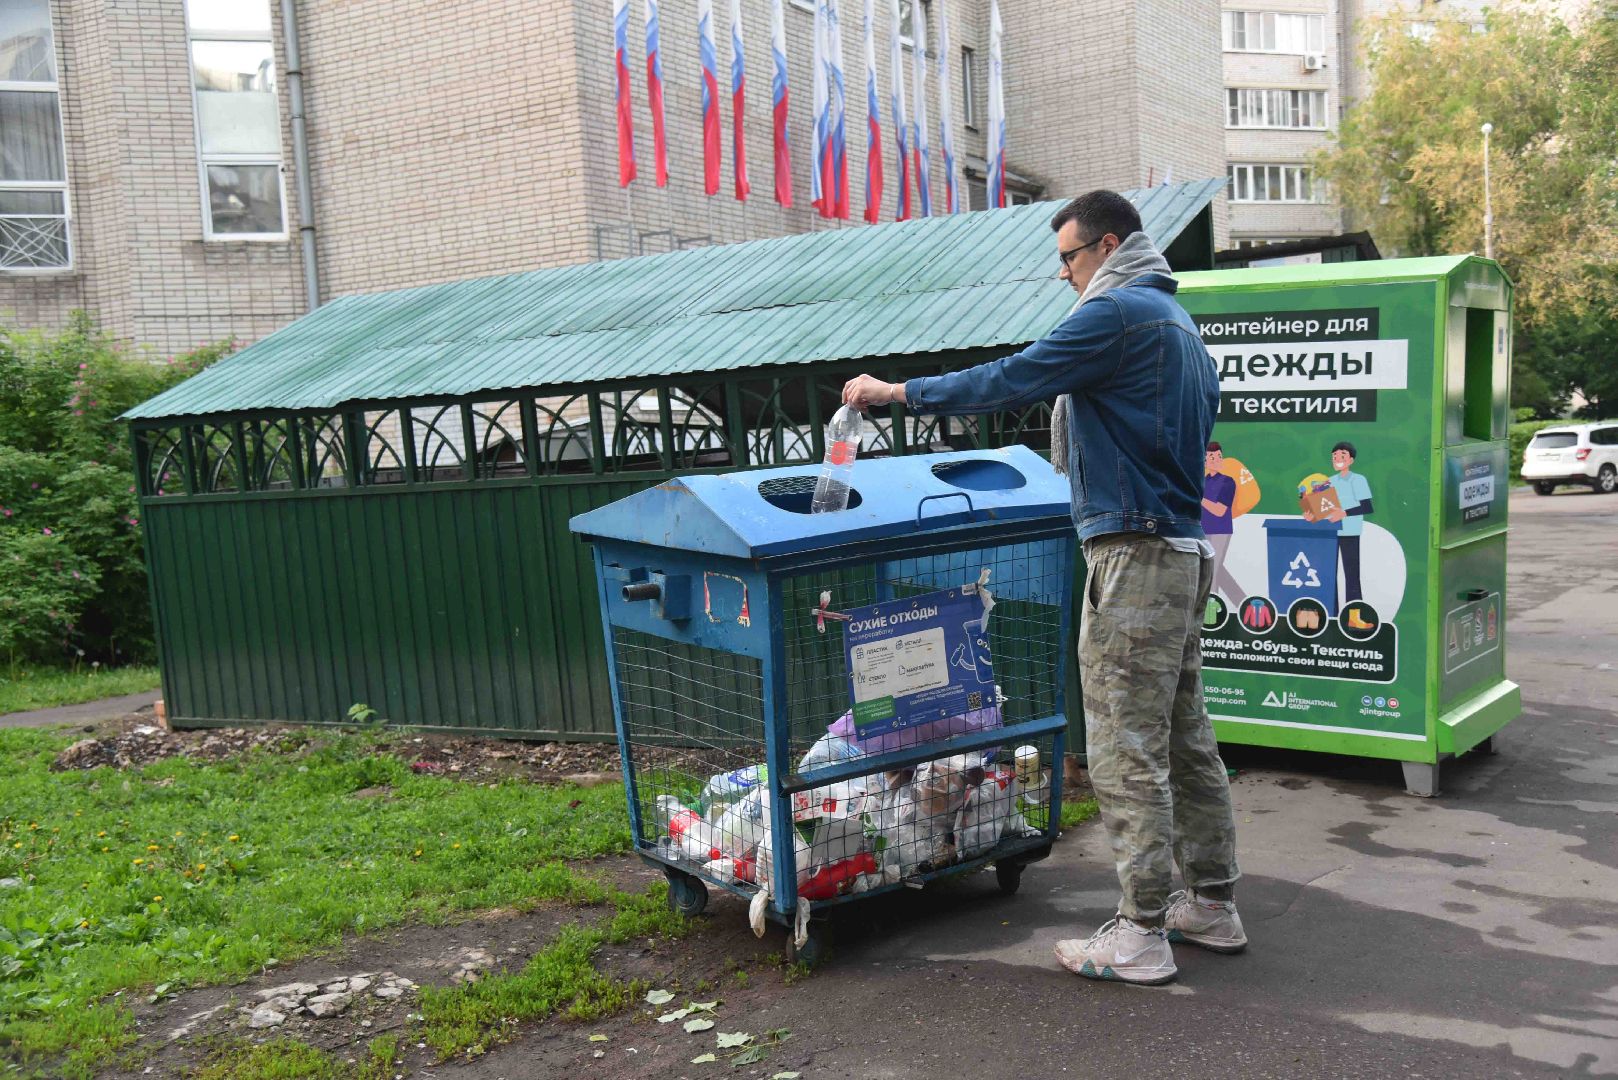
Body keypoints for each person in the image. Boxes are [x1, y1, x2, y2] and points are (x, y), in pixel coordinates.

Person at [842, 190, 1244, 986]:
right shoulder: (1179, 326)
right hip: (1180, 549)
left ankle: (1141, 932)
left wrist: (894, 395)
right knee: (1183, 738)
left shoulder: (1118, 313)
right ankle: (1212, 903)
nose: (1063, 274)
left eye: (1067, 257)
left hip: (1132, 553)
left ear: (1106, 245)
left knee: (1126, 748)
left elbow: (1012, 376)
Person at [1202, 442, 1244, 603]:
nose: (1217, 460)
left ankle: (1211, 606)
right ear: (1204, 461)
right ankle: (1240, 600)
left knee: (1212, 570)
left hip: (1220, 531)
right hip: (1202, 530)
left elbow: (1219, 511)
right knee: (1215, 568)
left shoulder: (1228, 482)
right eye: (1212, 457)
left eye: (1219, 456)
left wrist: (1200, 497)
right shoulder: (1202, 481)